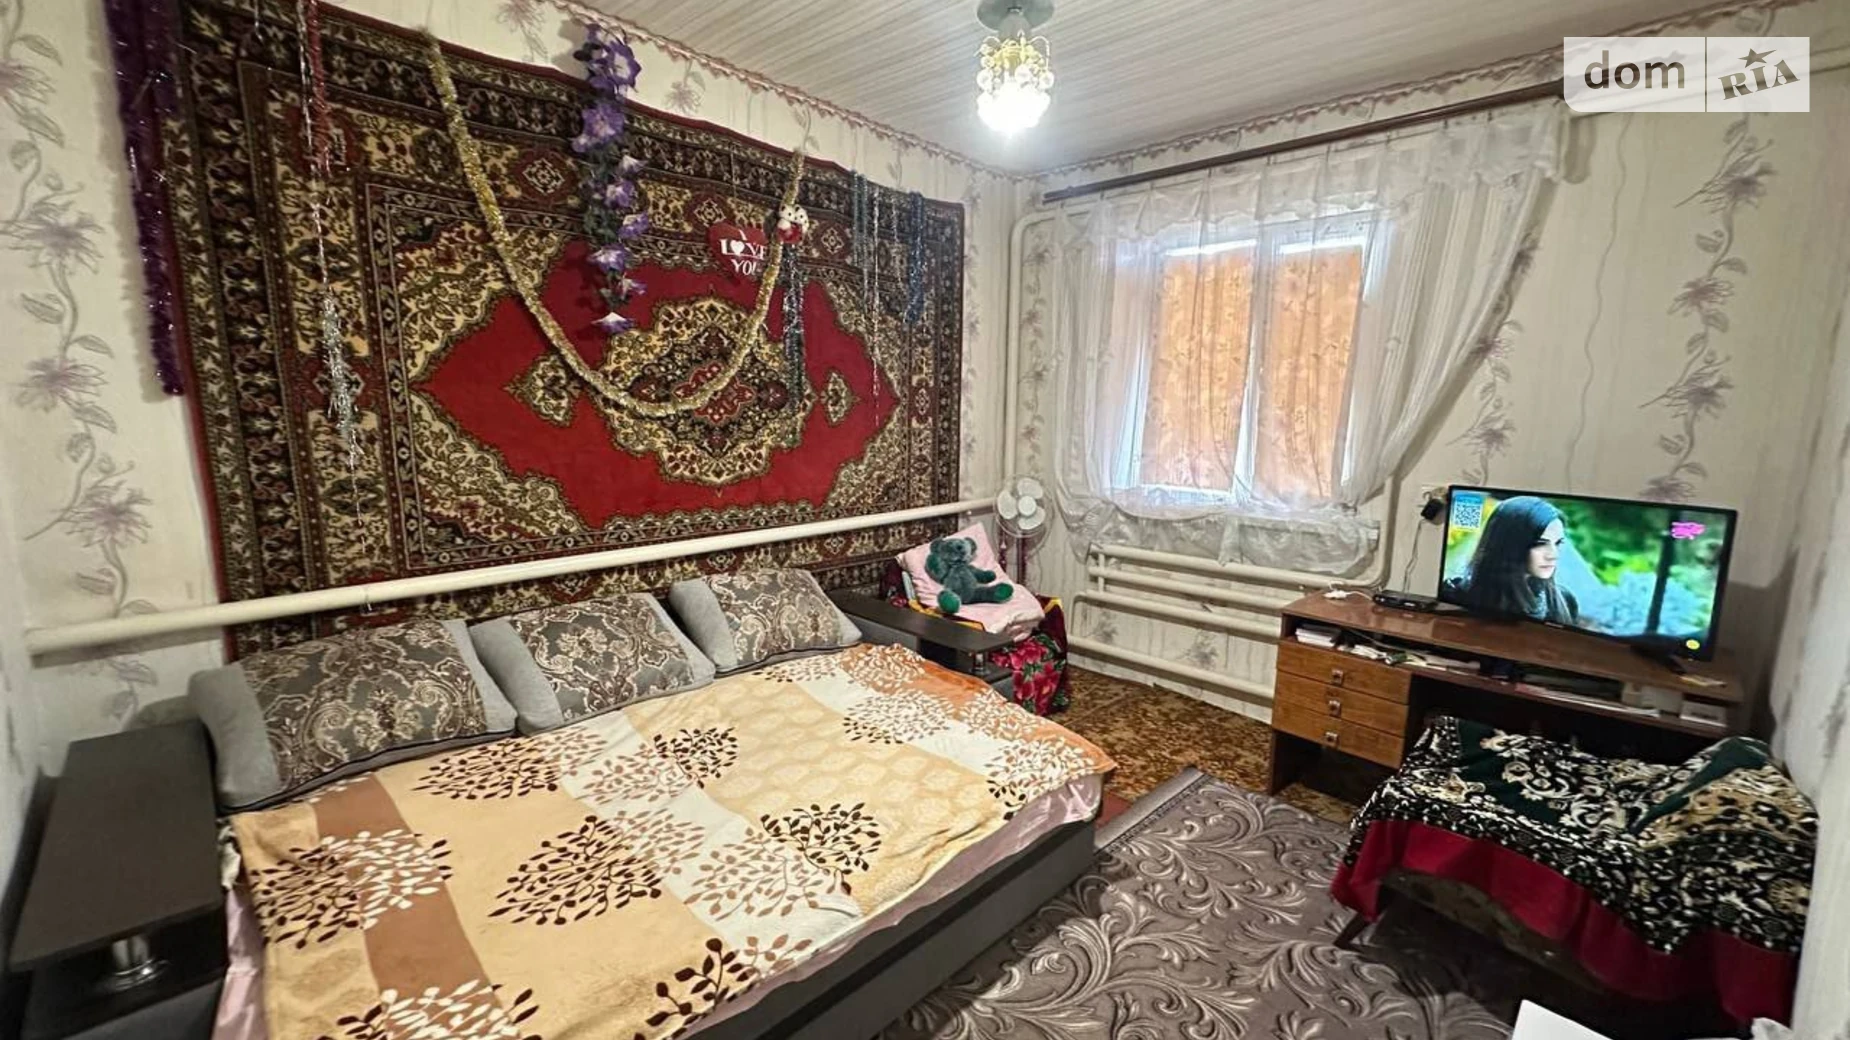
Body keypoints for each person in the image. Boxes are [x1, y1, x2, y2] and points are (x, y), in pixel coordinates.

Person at [1442, 495, 1580, 625]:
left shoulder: (1565, 600)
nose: (1553, 555)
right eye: (1540, 543)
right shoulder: (1456, 594)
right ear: (1509, 544)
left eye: (1558, 543)